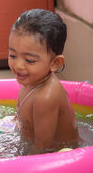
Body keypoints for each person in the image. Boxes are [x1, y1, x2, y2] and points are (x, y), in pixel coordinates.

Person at [8, 9, 79, 154]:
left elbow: (43, 149)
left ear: (55, 63)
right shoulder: (32, 81)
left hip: (60, 157)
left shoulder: (45, 98)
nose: (18, 65)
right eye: (13, 55)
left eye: (30, 60)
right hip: (29, 143)